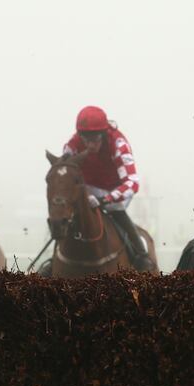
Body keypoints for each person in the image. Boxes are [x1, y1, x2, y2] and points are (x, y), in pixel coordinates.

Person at [63, 105, 155, 271]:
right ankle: (56, 258)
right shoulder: (72, 145)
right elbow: (65, 174)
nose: (90, 145)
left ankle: (141, 254)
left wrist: (104, 200)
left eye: (96, 139)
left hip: (115, 190)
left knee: (115, 210)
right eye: (86, 139)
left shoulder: (118, 144)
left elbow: (132, 183)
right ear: (79, 135)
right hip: (88, 187)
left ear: (104, 134)